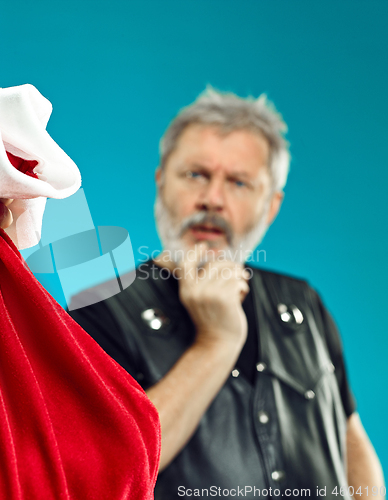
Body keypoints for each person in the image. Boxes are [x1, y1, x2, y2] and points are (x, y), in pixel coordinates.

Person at [69, 89, 385, 499]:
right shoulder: (99, 308)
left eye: (238, 182)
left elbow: (349, 438)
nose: (212, 199)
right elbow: (105, 466)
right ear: (161, 181)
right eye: (196, 174)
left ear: (270, 206)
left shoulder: (303, 302)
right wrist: (217, 342)